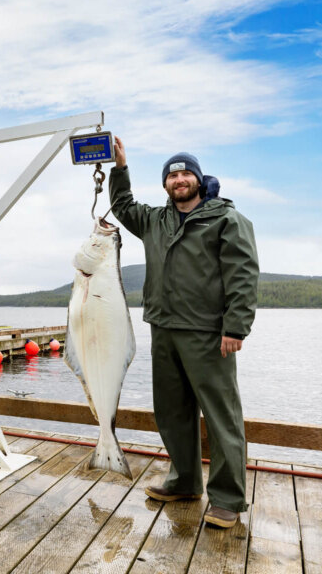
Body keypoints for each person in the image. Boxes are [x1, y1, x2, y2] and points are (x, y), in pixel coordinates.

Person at [109, 137, 259, 529]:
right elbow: (123, 207)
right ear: (165, 185)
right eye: (172, 174)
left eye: (185, 172)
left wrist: (236, 326)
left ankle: (227, 499)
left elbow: (243, 274)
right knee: (173, 412)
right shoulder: (155, 221)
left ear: (198, 178)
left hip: (209, 333)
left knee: (221, 415)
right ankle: (185, 481)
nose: (179, 179)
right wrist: (120, 168)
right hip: (163, 329)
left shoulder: (226, 218)